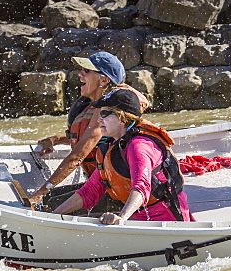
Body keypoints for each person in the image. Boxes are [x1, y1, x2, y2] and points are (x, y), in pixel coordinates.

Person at [27, 51, 149, 209]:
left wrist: (39, 194)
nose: (80, 74)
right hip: (100, 182)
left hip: (118, 191)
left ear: (103, 80)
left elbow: (77, 156)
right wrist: (55, 140)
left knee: (46, 203)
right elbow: (87, 137)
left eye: (87, 71)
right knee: (50, 199)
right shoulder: (97, 105)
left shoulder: (109, 111)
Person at [52, 89, 194, 224]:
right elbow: (90, 191)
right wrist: (54, 216)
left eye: (105, 114)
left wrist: (121, 217)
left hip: (165, 222)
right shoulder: (111, 146)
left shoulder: (139, 146)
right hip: (138, 217)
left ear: (122, 118)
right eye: (100, 113)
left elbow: (141, 187)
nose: (99, 119)